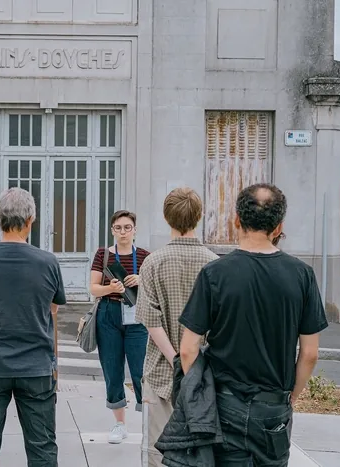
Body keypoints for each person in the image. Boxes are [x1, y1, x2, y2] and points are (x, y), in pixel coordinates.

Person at [179, 183, 328, 466]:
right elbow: (310, 353)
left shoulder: (214, 273)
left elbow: (188, 349)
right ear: (278, 226)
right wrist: (290, 396)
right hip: (272, 407)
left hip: (224, 404)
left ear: (236, 219)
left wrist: (201, 398)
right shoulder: (302, 275)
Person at [0, 187, 66, 467]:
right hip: (36, 365)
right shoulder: (48, 262)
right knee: (42, 446)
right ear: (30, 220)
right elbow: (53, 309)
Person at [137, 188, 218, 466]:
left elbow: (151, 321)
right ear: (199, 216)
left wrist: (175, 359)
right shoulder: (214, 264)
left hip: (161, 372)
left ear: (166, 217)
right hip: (205, 375)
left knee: (159, 454)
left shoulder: (152, 262)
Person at [89, 209, 150, 444]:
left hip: (136, 315)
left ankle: (147, 423)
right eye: (118, 228)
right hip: (109, 312)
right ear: (112, 230)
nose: (123, 232)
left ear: (134, 230)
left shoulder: (145, 256)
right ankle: (119, 424)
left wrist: (141, 280)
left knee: (140, 370)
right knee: (112, 369)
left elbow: (153, 288)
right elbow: (93, 288)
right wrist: (109, 289)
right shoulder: (103, 255)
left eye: (127, 227)